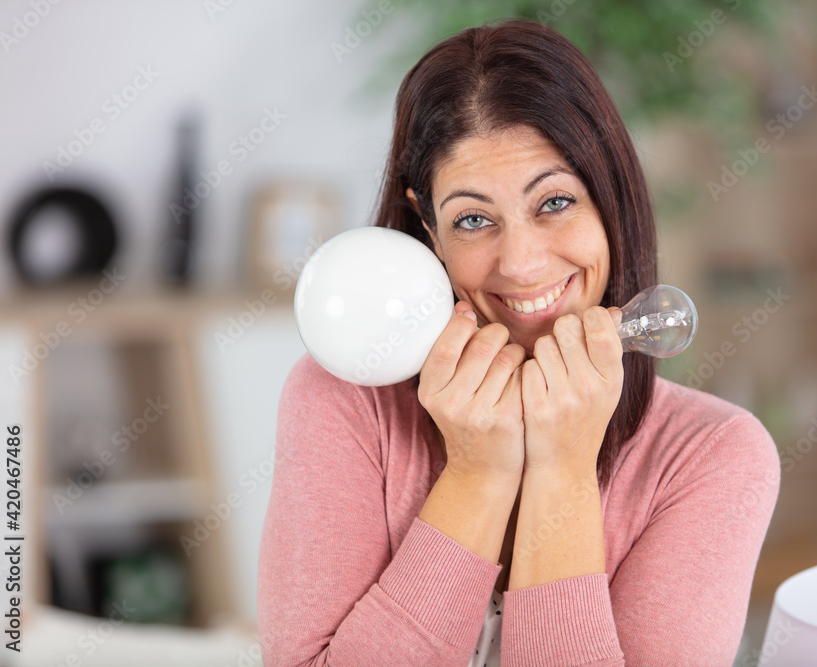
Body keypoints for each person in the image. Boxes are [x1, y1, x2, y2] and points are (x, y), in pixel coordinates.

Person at [257, 18, 780, 667]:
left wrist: (563, 467)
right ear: (428, 229)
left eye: (554, 202)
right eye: (474, 219)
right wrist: (477, 472)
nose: (523, 263)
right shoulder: (343, 400)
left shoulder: (713, 455)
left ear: (610, 199)